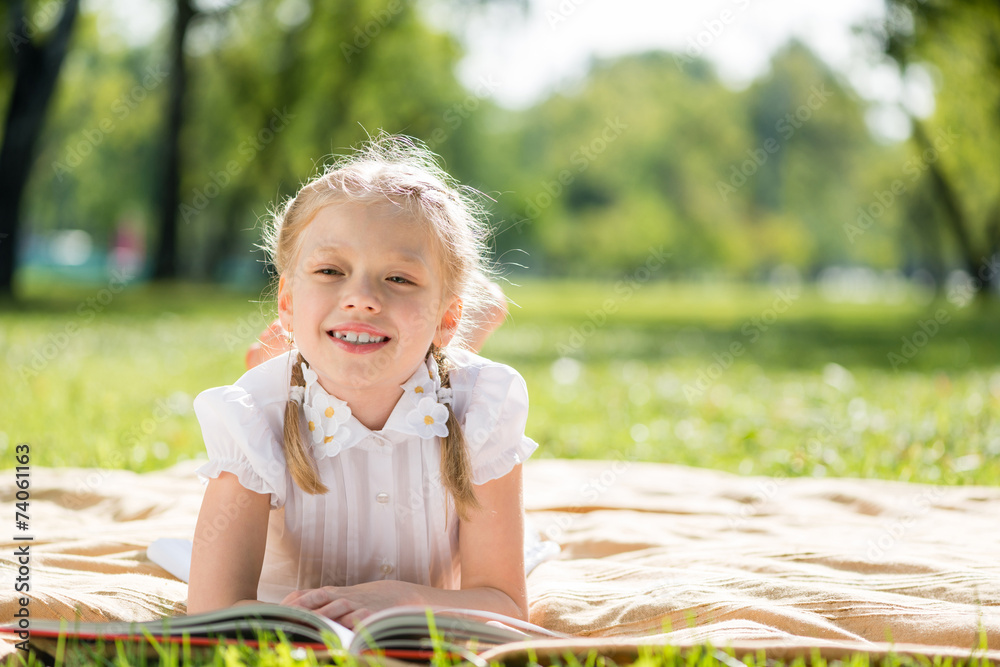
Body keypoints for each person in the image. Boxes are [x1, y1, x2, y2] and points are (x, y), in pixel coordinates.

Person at [187, 134, 537, 629]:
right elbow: (212, 613)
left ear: (446, 315)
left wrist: (398, 599)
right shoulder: (250, 418)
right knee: (274, 384)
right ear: (285, 300)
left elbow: (505, 604)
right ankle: (275, 355)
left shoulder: (482, 407)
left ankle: (450, 333)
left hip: (439, 365)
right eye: (331, 270)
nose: (362, 298)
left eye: (399, 278)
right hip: (288, 392)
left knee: (444, 375)